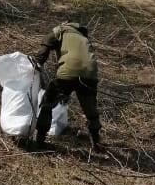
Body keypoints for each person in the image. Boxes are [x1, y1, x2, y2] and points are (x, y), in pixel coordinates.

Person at [31, 20, 103, 150]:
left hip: (68, 71)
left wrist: (37, 63)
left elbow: (46, 43)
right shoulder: (84, 38)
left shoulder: (62, 29)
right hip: (90, 74)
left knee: (48, 103)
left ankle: (39, 141)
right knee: (91, 110)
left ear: (66, 23)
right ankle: (97, 144)